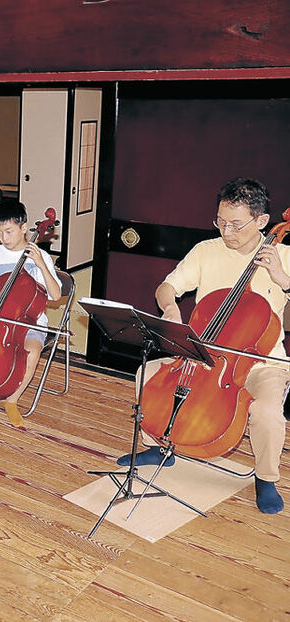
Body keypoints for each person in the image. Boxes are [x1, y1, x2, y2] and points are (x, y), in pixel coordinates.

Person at [118, 178, 288, 514]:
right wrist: (169, 306)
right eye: (220, 222)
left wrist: (283, 279)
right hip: (205, 352)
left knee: (267, 412)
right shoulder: (205, 251)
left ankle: (265, 478)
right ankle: (160, 446)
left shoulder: (282, 255)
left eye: (236, 224)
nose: (227, 231)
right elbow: (168, 286)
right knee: (146, 374)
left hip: (263, 361)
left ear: (262, 221)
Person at [0, 198, 61, 427]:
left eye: (9, 231)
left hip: (31, 320)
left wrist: (40, 264)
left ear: (23, 228)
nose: (4, 238)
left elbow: (56, 295)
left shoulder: (41, 257)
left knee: (31, 351)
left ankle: (12, 400)